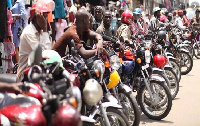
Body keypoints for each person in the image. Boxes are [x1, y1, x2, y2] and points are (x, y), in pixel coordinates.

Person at [16, 3, 52, 82]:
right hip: (25, 75)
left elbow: (49, 53)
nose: (45, 20)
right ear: (36, 18)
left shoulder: (40, 31)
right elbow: (44, 54)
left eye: (46, 16)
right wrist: (45, 29)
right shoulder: (29, 33)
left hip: (37, 71)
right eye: (44, 16)